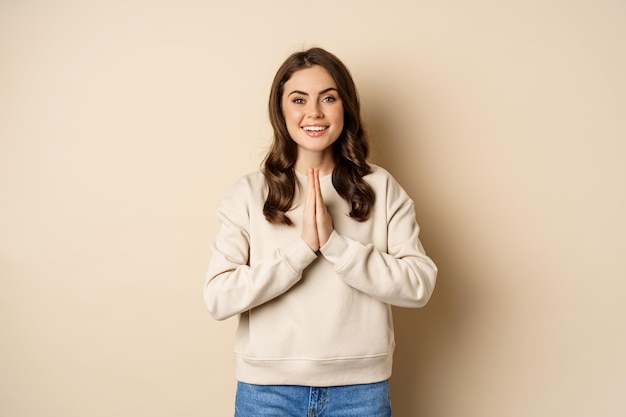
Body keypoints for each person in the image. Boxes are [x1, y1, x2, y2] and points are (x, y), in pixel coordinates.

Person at [204, 47, 437, 417]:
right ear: (280, 111)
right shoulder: (249, 193)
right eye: (299, 100)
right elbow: (218, 297)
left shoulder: (380, 187)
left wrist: (336, 246)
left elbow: (419, 285)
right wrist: (302, 251)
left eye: (328, 98)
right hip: (267, 393)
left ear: (346, 107)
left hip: (360, 391)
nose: (314, 112)